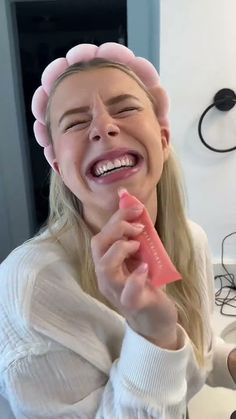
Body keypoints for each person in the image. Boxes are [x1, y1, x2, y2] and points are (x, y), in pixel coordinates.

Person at [0, 42, 235, 419]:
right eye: (76, 122)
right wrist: (152, 334)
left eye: (125, 108)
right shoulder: (29, 287)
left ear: (161, 139)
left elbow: (195, 353)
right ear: (60, 168)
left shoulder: (192, 240)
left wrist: (228, 362)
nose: (103, 127)